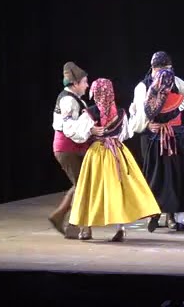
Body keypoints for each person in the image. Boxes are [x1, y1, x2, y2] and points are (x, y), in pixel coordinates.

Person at [65, 79, 161, 241]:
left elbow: (79, 135)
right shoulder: (121, 113)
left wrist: (89, 130)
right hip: (117, 151)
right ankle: (121, 228)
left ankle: (86, 229)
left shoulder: (90, 113)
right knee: (119, 189)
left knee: (90, 190)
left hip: (97, 154)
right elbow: (126, 134)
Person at [128, 52, 184, 232]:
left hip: (168, 136)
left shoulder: (173, 82)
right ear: (156, 68)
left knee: (166, 176)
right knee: (163, 176)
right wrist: (148, 126)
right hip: (156, 138)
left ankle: (167, 215)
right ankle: (161, 214)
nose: (167, 73)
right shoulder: (143, 87)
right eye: (166, 69)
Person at [49, 62, 90, 238]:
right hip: (68, 148)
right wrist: (90, 131)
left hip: (74, 147)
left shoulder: (75, 99)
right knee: (83, 186)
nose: (87, 85)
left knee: (81, 184)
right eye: (85, 82)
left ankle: (65, 220)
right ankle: (76, 225)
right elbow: (69, 127)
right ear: (76, 83)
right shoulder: (67, 100)